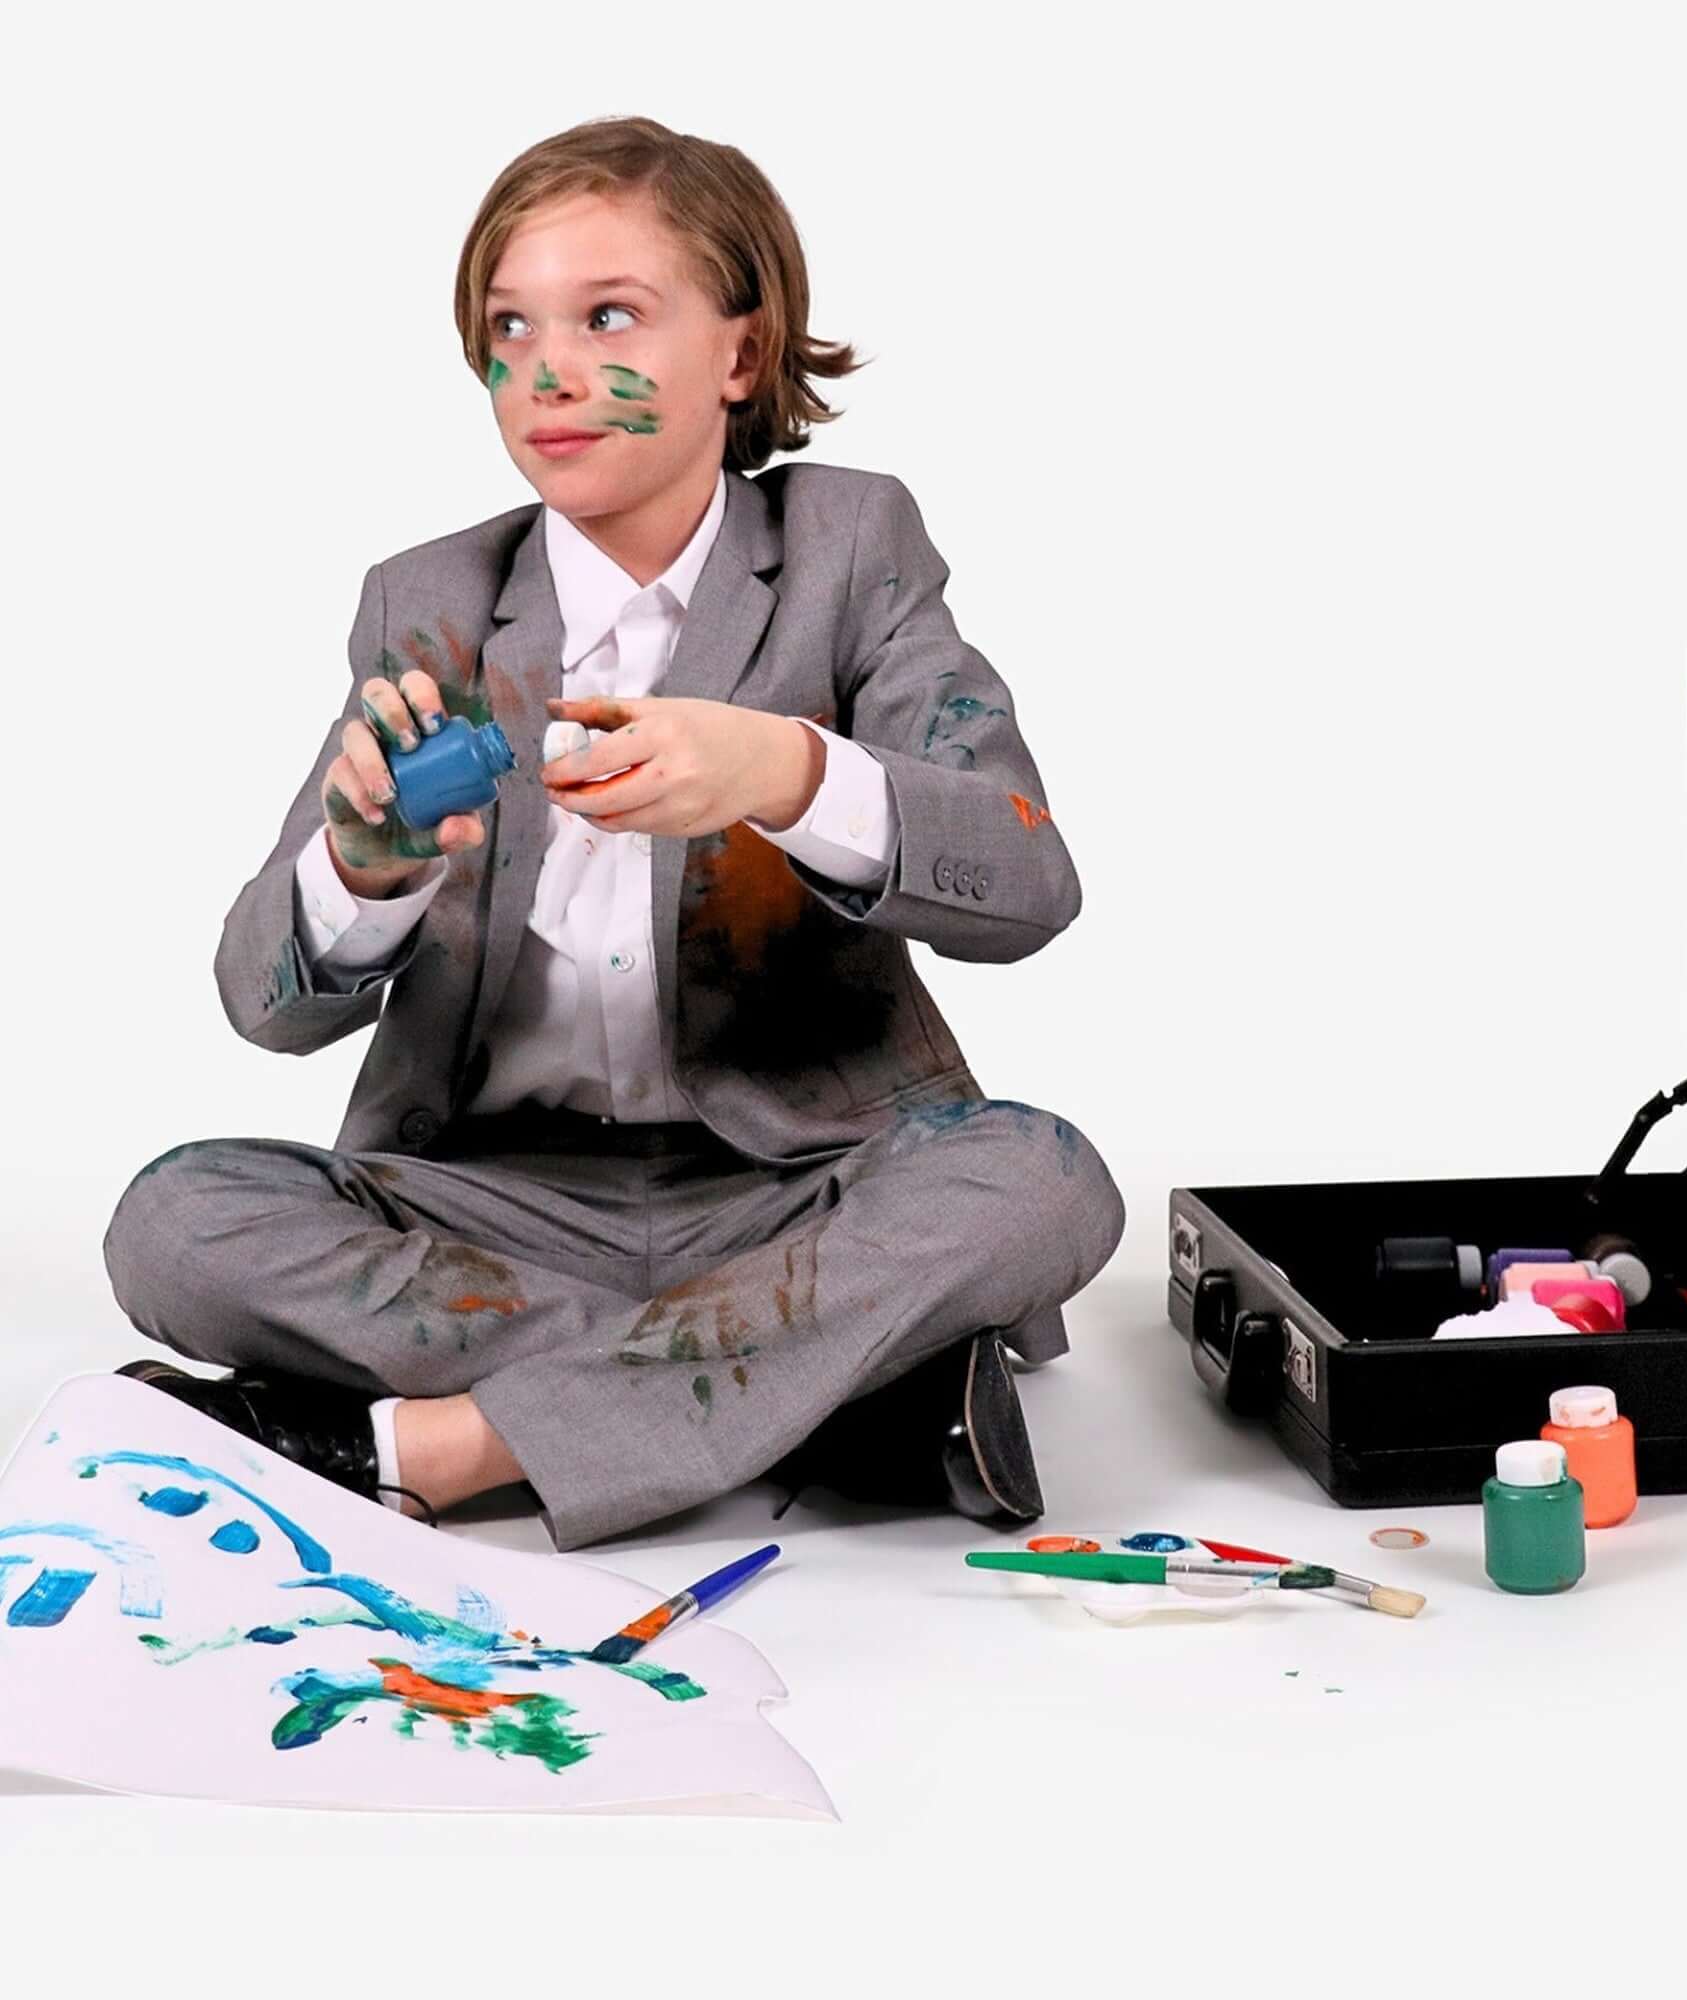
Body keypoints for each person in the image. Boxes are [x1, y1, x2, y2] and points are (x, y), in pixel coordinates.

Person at [100, 115, 1124, 1552]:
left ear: (743, 357)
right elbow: (258, 1004)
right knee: (173, 1223)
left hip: (799, 1190)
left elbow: (1027, 881)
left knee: (1043, 1182)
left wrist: (785, 771)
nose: (547, 374)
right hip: (489, 1206)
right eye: (509, 328)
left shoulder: (849, 550)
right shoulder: (433, 599)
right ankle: (847, 1393)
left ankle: (446, 1446)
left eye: (611, 317)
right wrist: (362, 871)